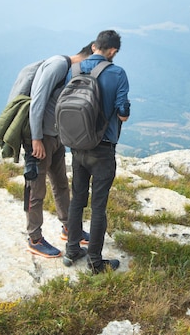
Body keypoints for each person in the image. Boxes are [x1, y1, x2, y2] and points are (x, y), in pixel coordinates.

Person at [63, 30, 130, 274]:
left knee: (77, 199)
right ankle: (94, 261)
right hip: (102, 149)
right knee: (98, 205)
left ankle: (71, 250)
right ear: (112, 51)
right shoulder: (117, 73)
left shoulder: (75, 70)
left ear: (94, 46)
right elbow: (123, 112)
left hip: (77, 145)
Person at [24, 43, 94, 258]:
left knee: (61, 184)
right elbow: (37, 102)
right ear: (89, 53)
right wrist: (35, 138)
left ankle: (68, 227)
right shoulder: (57, 65)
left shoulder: (71, 71)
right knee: (36, 190)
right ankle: (34, 238)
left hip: (56, 137)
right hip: (41, 138)